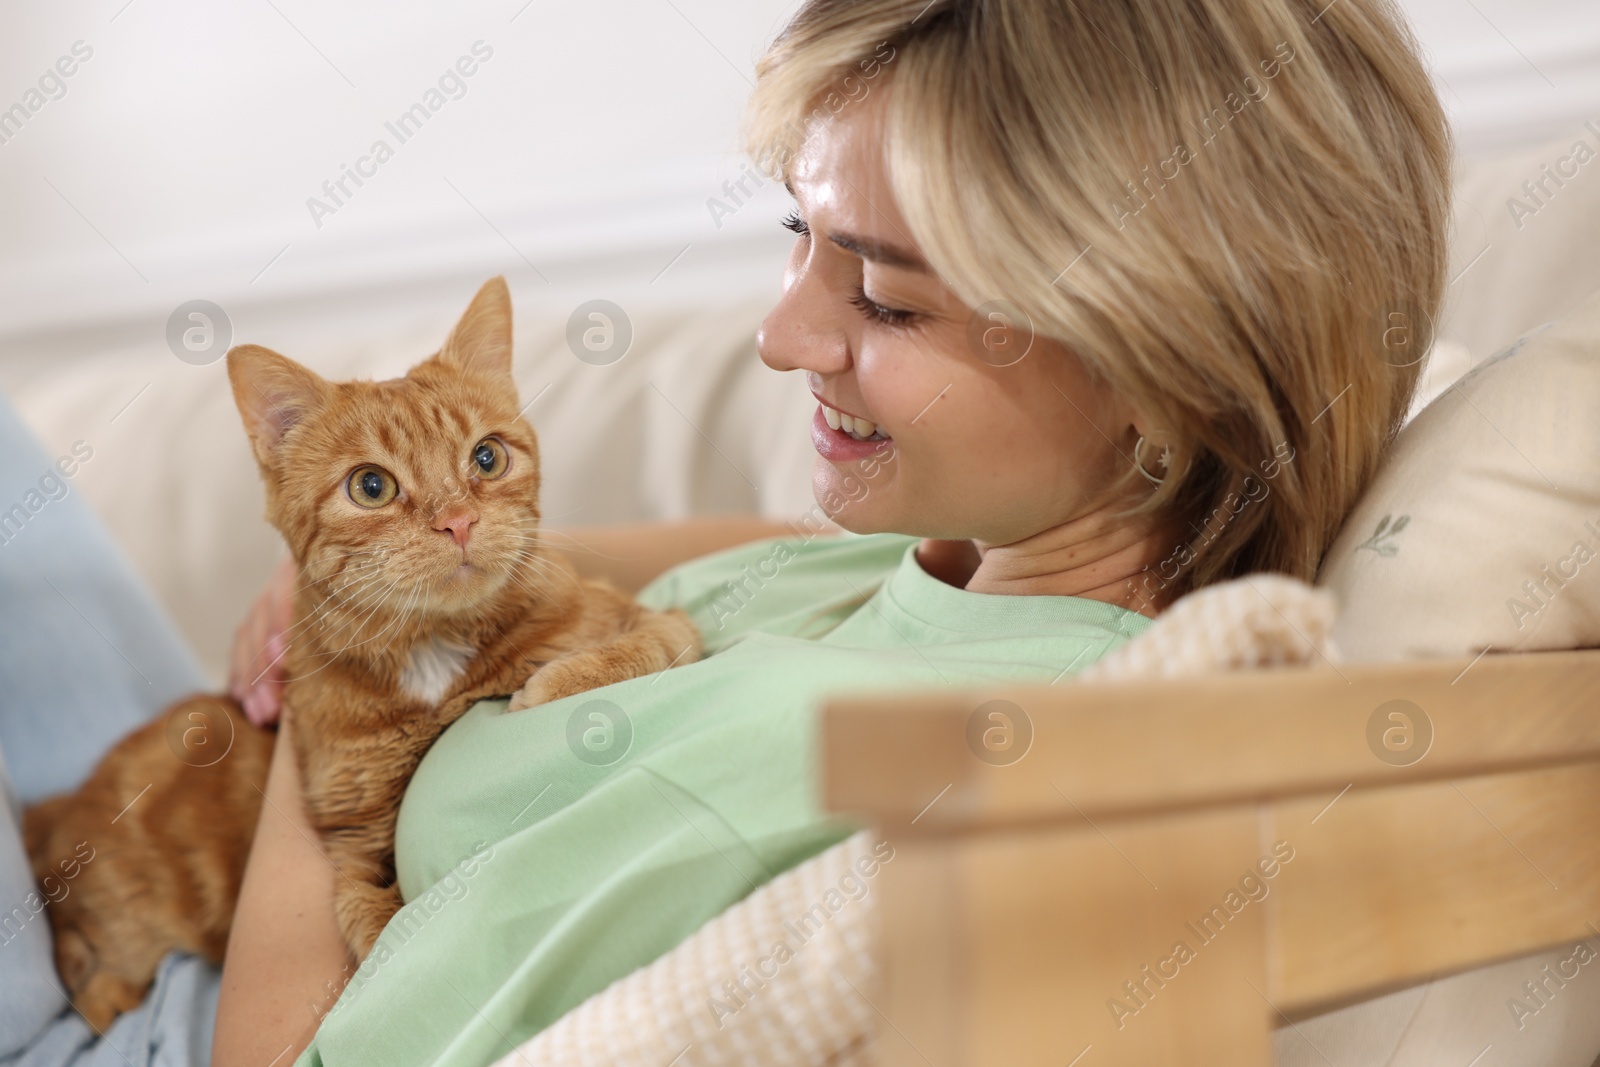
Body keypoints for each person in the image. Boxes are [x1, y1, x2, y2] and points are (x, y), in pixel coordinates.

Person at [3, 0, 1450, 1064]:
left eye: (884, 299)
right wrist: (349, 562)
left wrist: (336, 686)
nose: (782, 336)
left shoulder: (882, 760)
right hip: (147, 829)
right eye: (795, 243)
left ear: (1170, 373)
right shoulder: (927, 577)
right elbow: (746, 562)